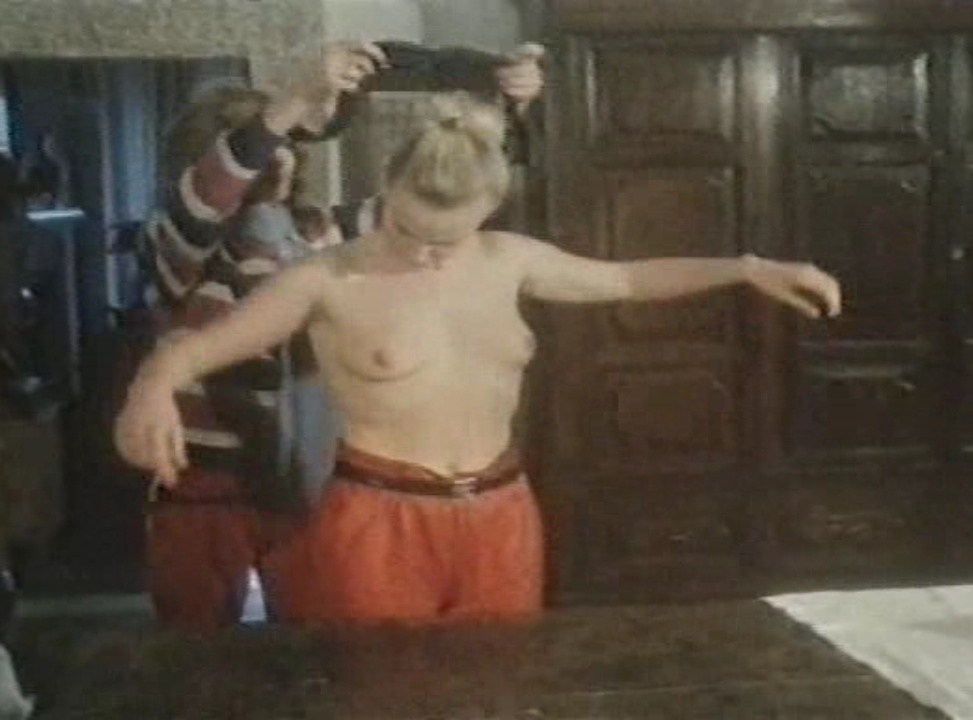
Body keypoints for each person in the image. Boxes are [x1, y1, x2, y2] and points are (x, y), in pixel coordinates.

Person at [116, 91, 842, 626]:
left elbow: (627, 279)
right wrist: (152, 385)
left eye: (448, 239)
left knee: (497, 695)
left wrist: (747, 268)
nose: (425, 254)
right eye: (406, 229)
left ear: (489, 209)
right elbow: (196, 349)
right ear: (387, 189)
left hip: (501, 513)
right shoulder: (326, 276)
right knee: (377, 699)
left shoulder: (510, 260)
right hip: (377, 519)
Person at [135, 42, 546, 632]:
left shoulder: (317, 235)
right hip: (206, 489)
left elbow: (436, 196)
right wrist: (294, 101)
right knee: (198, 655)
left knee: (312, 646)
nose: (281, 153)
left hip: (302, 482)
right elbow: (213, 191)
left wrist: (506, 107)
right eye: (264, 141)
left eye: (286, 142)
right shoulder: (179, 242)